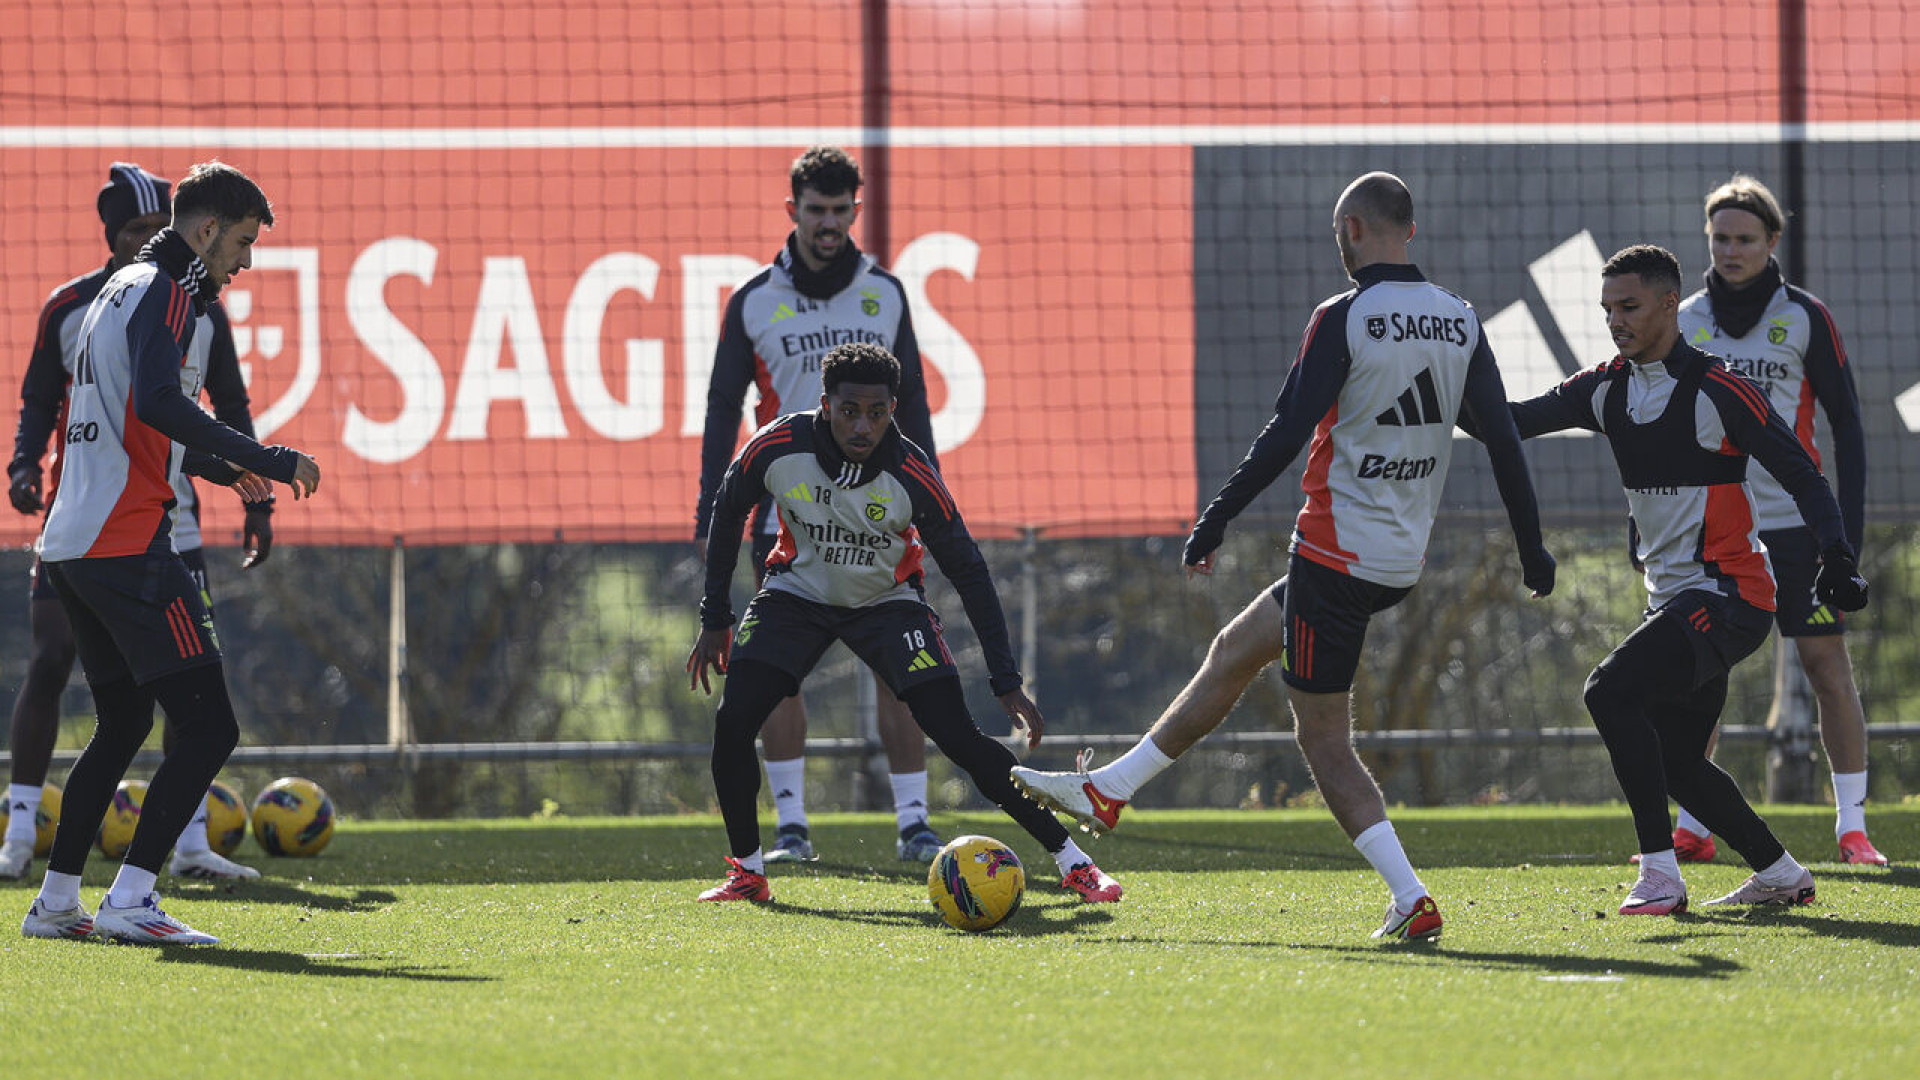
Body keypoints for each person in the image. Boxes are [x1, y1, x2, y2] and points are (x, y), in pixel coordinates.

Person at [1009, 172, 1554, 941]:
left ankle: (1410, 895)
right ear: (1413, 229)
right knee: (1234, 649)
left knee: (1324, 743)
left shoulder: (1346, 316)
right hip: (1394, 561)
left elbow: (1284, 433)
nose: (1338, 244)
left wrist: (1216, 518)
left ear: (1356, 229)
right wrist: (1533, 550)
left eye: (1340, 232)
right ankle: (1111, 789)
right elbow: (1501, 437)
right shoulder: (1459, 321)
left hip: (1335, 556)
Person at [1498, 244, 1866, 915]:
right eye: (1607, 308)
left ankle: (1662, 876)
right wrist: (1437, 390)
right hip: (1676, 603)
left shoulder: (1719, 390)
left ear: (1671, 304)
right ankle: (1781, 873)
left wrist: (1837, 554)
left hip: (1732, 599)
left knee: (1609, 693)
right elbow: (1509, 421)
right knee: (1677, 761)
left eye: (1629, 306)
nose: (1616, 320)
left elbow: (1803, 473)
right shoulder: (1604, 388)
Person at [687, 341, 1120, 905]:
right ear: (825, 405)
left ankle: (1075, 863)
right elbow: (727, 509)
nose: (863, 426)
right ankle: (748, 872)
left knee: (960, 739)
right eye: (849, 412)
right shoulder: (778, 446)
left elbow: (969, 571)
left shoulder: (912, 472)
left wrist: (1007, 681)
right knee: (734, 720)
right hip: (796, 595)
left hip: (889, 603)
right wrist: (714, 615)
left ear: (893, 408)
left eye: (877, 412)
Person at [20, 161, 320, 946]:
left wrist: (234, 471)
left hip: (71, 546)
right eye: (243, 244)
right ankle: (132, 898)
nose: (245, 262)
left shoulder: (116, 290)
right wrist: (276, 458)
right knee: (209, 727)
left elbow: (140, 424)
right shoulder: (169, 291)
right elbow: (158, 403)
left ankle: (55, 903)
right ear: (207, 228)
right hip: (127, 543)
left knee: (121, 725)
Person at [695, 146, 946, 864]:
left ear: (855, 211)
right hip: (787, 516)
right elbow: (722, 412)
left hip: (879, 512)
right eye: (816, 211)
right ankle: (794, 830)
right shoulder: (754, 302)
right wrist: (715, 504)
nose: (829, 224)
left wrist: (929, 496)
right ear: (793, 212)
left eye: (841, 211)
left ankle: (915, 826)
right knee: (775, 674)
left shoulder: (886, 294)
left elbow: (916, 404)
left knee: (904, 670)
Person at [1666, 175, 1884, 866]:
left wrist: (1840, 538)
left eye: (1745, 239)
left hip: (1795, 525)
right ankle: (1694, 827)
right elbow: (1663, 430)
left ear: (1772, 242)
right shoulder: (1686, 317)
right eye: (1720, 238)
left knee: (1825, 665)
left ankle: (1852, 828)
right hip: (1716, 528)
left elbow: (1848, 427)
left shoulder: (1806, 317)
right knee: (1700, 673)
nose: (1731, 250)